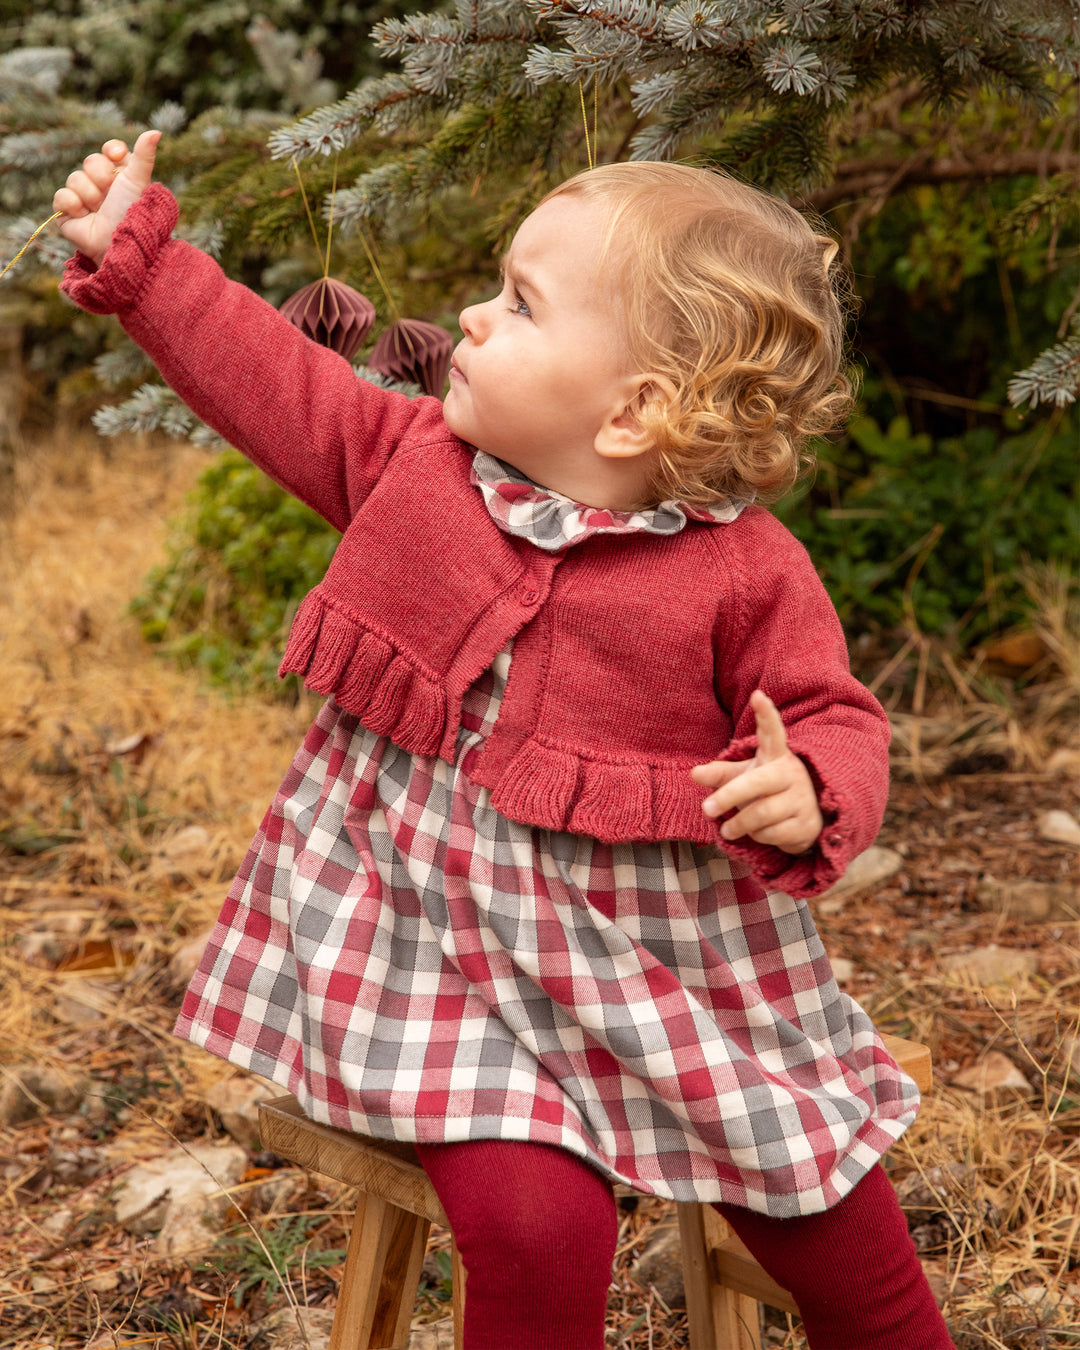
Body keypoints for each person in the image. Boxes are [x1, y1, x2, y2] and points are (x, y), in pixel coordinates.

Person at [55, 132, 955, 1350]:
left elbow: (838, 714)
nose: (470, 319)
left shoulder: (746, 570)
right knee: (538, 1227)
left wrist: (809, 788)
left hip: (659, 963)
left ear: (636, 411)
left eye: (521, 305)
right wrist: (140, 260)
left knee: (835, 1196)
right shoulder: (414, 467)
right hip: (433, 951)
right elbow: (266, 373)